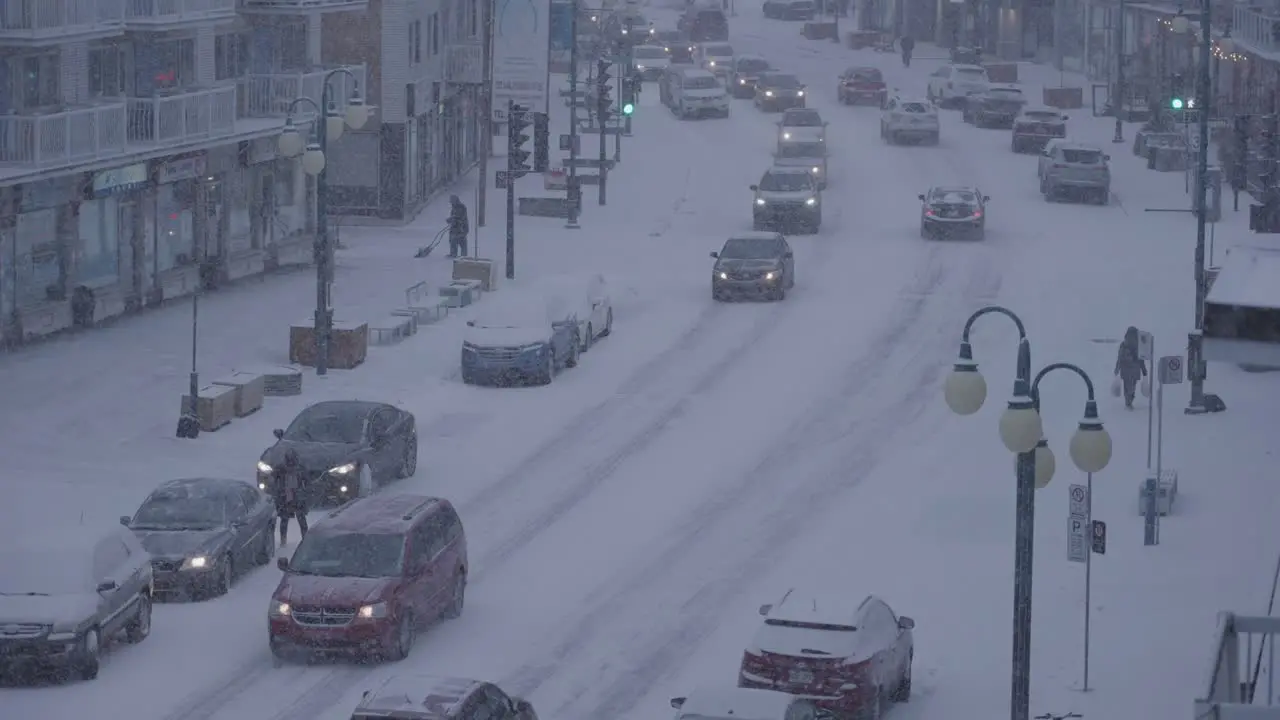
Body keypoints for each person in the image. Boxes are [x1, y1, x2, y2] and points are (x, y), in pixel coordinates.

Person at [272, 450, 309, 545]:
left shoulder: (300, 469)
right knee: (285, 520)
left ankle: (305, 540)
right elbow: (274, 481)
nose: (291, 467)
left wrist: (304, 493)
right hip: (285, 498)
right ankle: (283, 541)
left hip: (298, 498)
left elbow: (307, 482)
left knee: (301, 520)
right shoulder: (280, 470)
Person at [1114, 326, 1148, 410]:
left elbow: (1119, 358)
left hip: (1126, 370)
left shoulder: (1124, 344)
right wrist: (1144, 369)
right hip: (1134, 369)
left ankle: (1128, 400)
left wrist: (1117, 368)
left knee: (1128, 386)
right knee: (1132, 386)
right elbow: (1141, 359)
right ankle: (1129, 400)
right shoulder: (1138, 345)